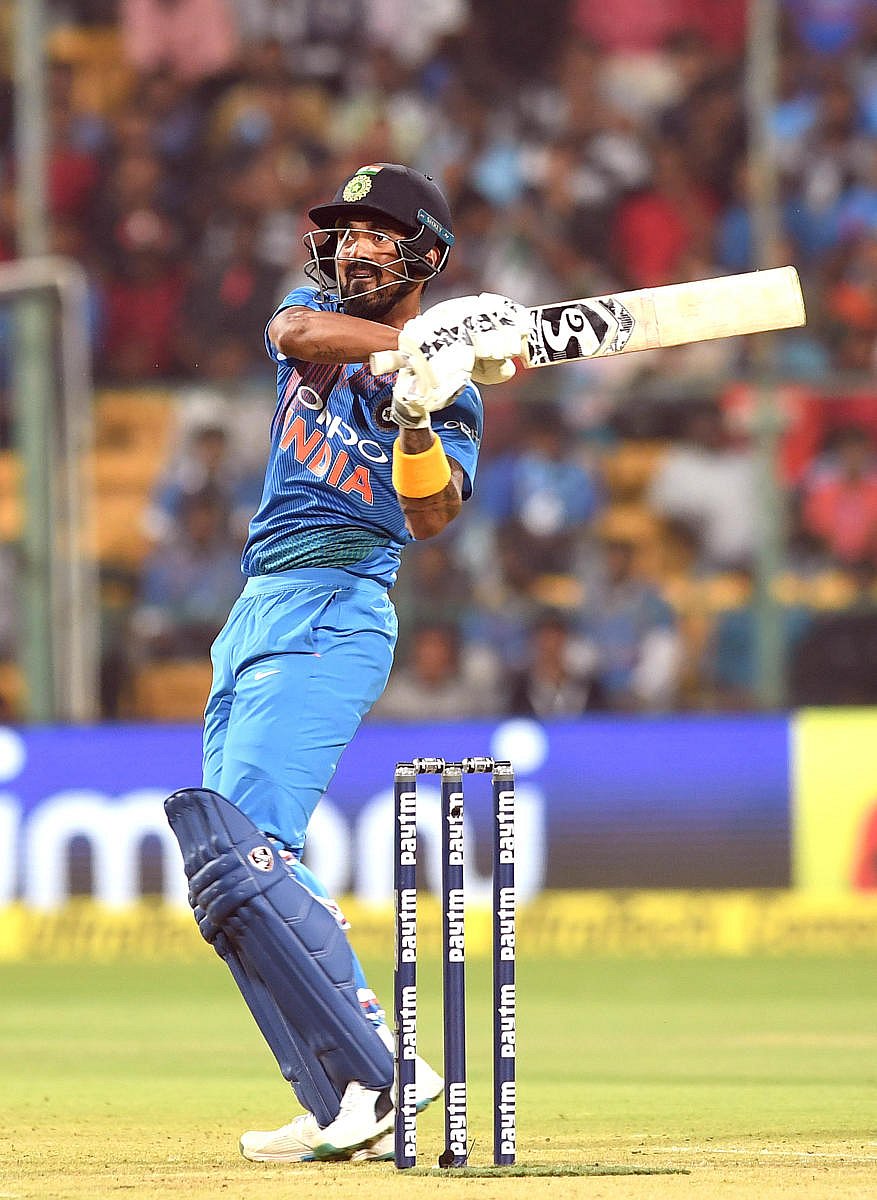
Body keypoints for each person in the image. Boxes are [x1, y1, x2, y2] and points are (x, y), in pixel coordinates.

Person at [163, 163, 529, 1164]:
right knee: (223, 877)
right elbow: (293, 340)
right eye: (345, 231)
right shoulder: (319, 312)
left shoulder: (450, 392)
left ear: (425, 253)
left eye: (379, 232)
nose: (356, 246)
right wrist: (421, 347)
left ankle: (383, 1074)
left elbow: (431, 515)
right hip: (255, 610)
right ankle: (341, 1103)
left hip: (334, 606)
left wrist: (416, 407)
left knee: (244, 850)